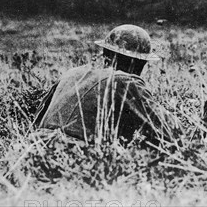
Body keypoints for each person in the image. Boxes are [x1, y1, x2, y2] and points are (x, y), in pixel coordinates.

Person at [33, 24, 175, 146]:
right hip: (72, 152)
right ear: (139, 64)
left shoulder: (72, 73)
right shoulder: (125, 82)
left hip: (35, 145)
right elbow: (169, 131)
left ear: (105, 54)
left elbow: (37, 118)